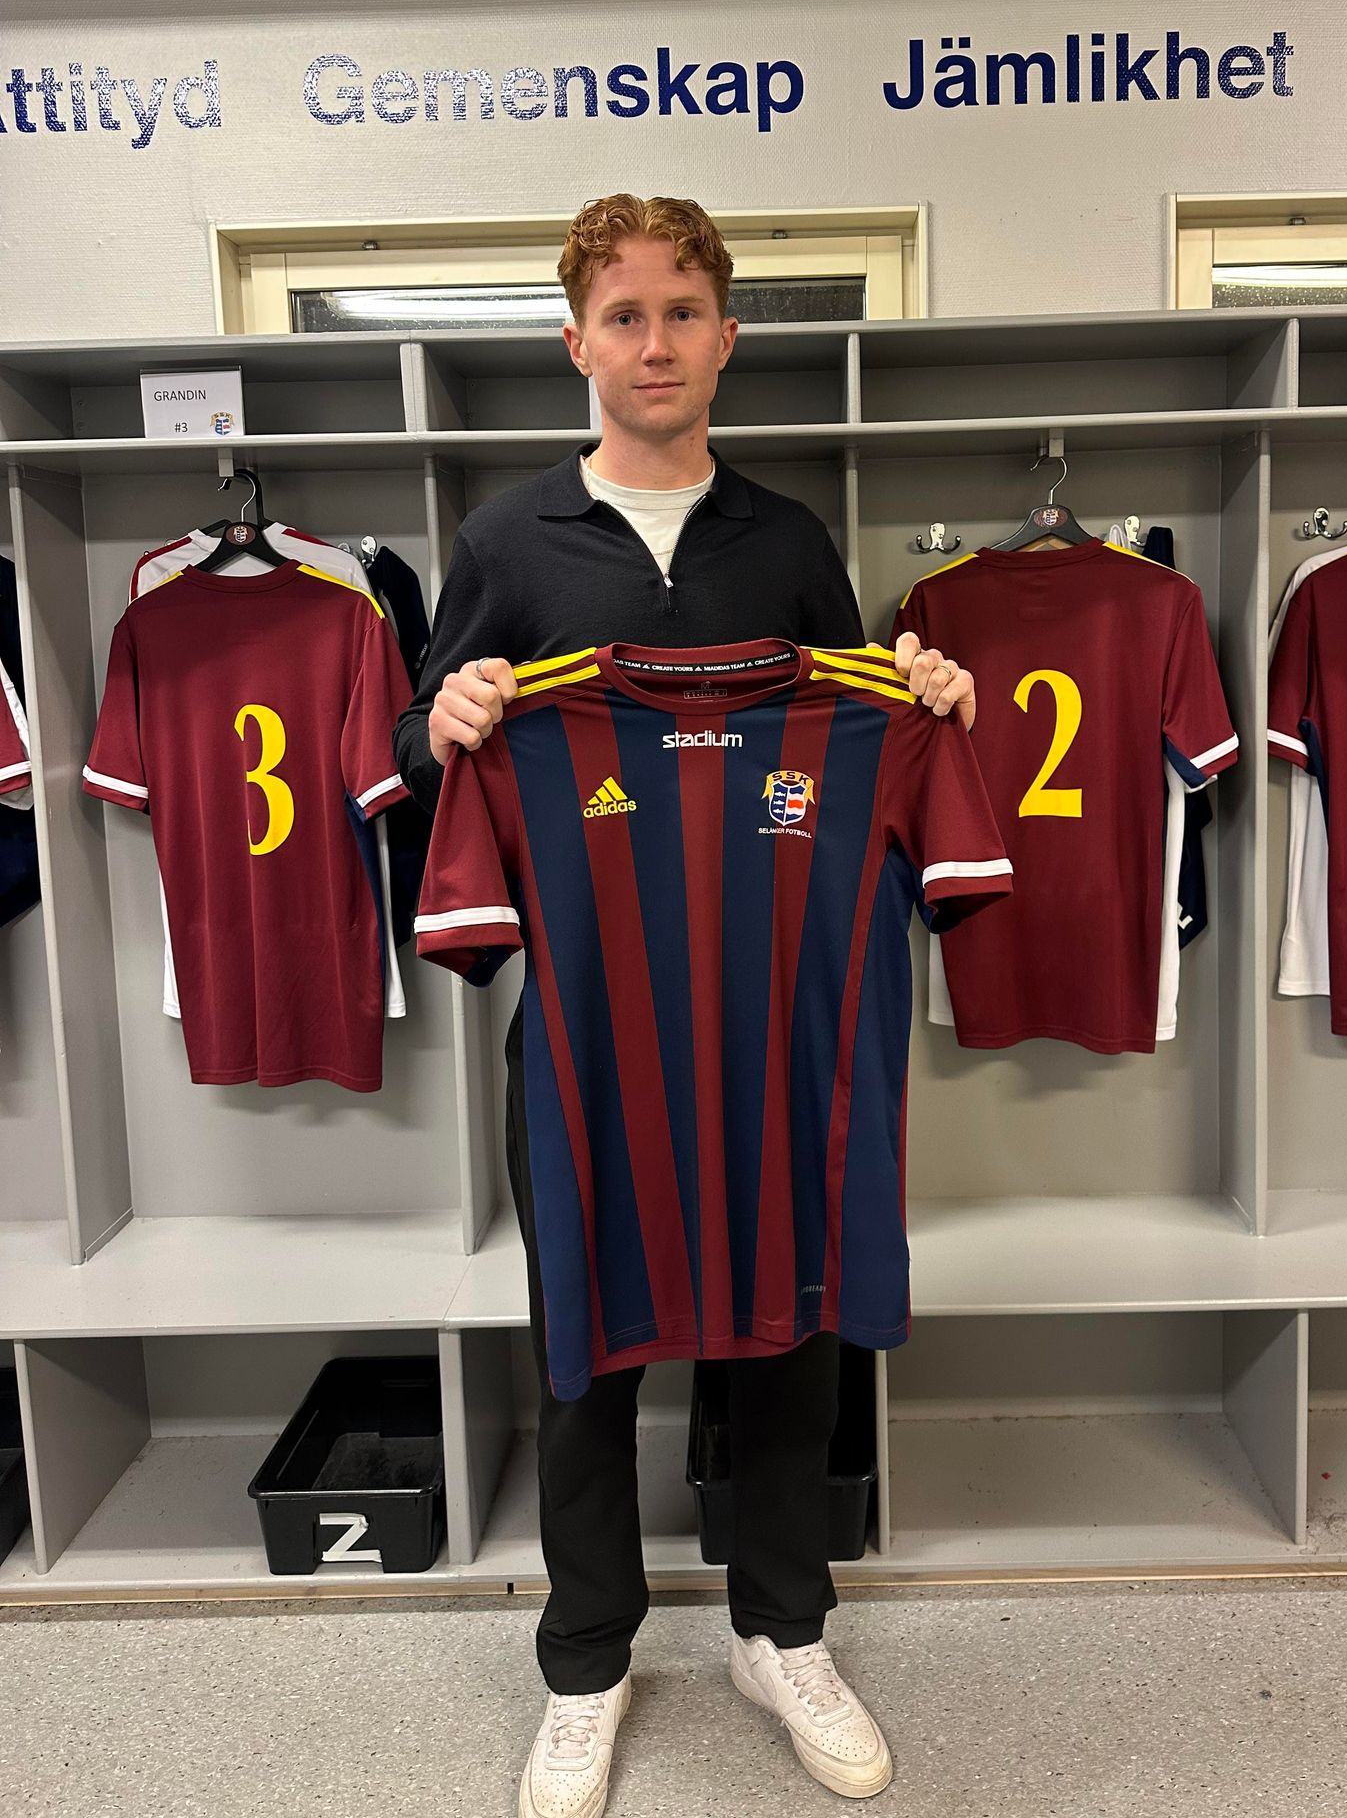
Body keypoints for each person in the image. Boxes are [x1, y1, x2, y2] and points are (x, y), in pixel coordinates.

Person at [393, 193, 975, 1817]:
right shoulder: (506, 543)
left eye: (682, 313)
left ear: (725, 336)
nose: (654, 343)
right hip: (592, 1035)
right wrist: (443, 720)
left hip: (777, 1029)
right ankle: (586, 1664)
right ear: (576, 341)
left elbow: (851, 740)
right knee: (585, 1346)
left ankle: (783, 1633)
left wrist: (926, 692)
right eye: (624, 315)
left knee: (791, 1329)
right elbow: (416, 760)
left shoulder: (786, 542)